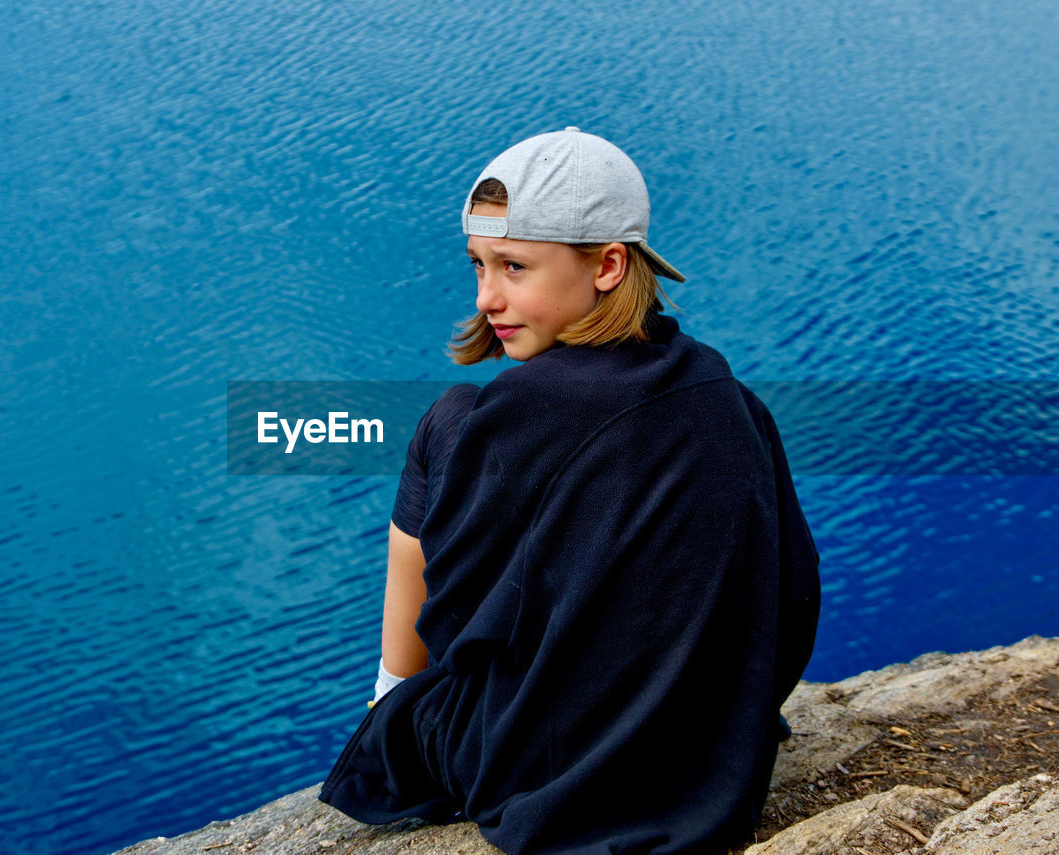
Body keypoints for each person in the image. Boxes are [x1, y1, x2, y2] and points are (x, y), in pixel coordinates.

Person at [319, 127, 821, 855]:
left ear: (609, 264)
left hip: (545, 767)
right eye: (479, 265)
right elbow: (795, 603)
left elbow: (457, 630)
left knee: (444, 420)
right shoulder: (732, 397)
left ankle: (386, 695)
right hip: (713, 768)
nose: (488, 296)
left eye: (515, 266)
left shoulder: (506, 417)